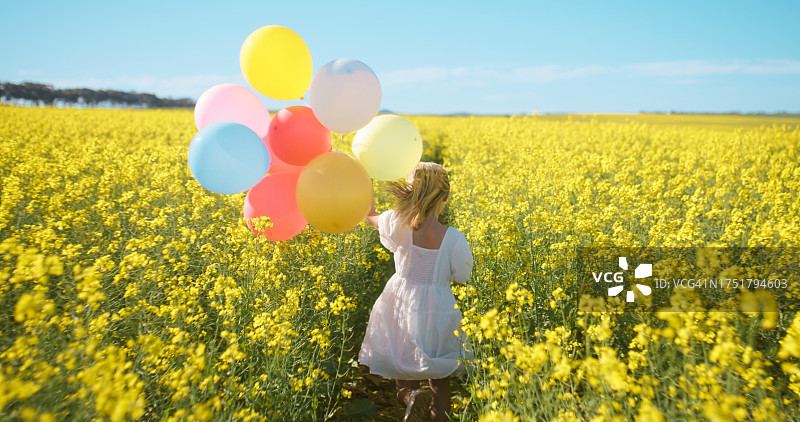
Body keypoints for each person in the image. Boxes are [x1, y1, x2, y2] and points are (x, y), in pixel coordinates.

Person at [359, 162, 474, 422]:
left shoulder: (396, 223)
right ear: (446, 196)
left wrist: (366, 183)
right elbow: (462, 276)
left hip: (400, 301)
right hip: (439, 308)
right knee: (440, 381)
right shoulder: (454, 238)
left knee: (403, 372)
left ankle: (410, 398)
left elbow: (369, 215)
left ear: (410, 192)